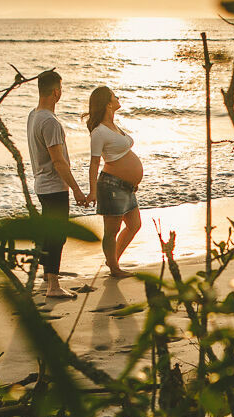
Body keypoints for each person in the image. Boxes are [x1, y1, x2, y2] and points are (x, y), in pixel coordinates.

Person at [27, 69, 87, 298]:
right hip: (53, 185)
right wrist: (78, 190)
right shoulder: (50, 122)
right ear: (56, 92)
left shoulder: (33, 115)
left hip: (41, 183)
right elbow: (59, 162)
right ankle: (53, 285)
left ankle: (46, 275)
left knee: (48, 232)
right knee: (57, 235)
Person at [83, 86, 142, 278]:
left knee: (134, 225)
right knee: (112, 229)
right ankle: (115, 268)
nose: (118, 98)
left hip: (126, 187)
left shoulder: (114, 126)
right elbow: (94, 164)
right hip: (111, 186)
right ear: (108, 103)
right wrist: (92, 191)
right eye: (114, 96)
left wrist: (133, 179)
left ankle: (112, 261)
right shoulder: (99, 132)